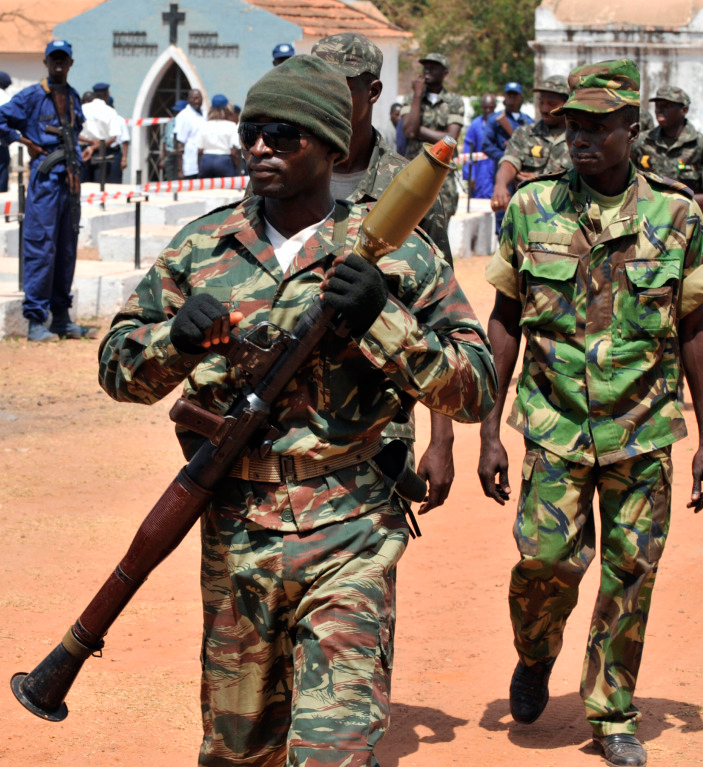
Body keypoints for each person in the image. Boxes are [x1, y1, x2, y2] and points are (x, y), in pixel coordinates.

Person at [98, 54, 497, 766]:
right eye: (252, 131)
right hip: (234, 533)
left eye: (283, 135)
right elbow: (118, 370)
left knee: (333, 750)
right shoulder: (202, 247)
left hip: (350, 529)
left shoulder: (399, 258)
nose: (259, 147)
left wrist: (385, 321)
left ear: (330, 146)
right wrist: (173, 339)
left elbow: (473, 387)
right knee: (236, 750)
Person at [477, 59, 703, 767]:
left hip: (642, 428)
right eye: (571, 126)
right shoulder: (531, 208)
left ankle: (612, 708)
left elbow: (694, 328)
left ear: (629, 129)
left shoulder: (675, 215)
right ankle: (535, 650)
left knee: (629, 568)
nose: (579, 139)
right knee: (544, 562)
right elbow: (505, 316)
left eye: (596, 128)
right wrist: (489, 429)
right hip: (552, 424)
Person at [312, 31, 458, 513]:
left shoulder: (412, 185)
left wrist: (442, 440)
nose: (326, 95)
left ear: (372, 92)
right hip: (288, 417)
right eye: (317, 83)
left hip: (380, 420)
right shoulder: (286, 175)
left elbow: (439, 317)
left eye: (342, 84)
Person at [0, 40, 95, 343]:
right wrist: (22, 140)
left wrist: (82, 151)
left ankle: (60, 317)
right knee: (41, 248)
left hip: (69, 181)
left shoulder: (72, 96)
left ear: (70, 63)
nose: (59, 64)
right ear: (46, 62)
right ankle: (35, 320)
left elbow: (76, 132)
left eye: (64, 60)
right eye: (54, 59)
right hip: (45, 183)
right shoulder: (32, 96)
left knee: (66, 249)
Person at [632, 86, 703, 214]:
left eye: (667, 105)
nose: (659, 110)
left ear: (684, 110)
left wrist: (670, 201)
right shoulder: (641, 143)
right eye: (658, 105)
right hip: (647, 226)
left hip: (685, 227)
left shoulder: (702, 146)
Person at [399, 52, 464, 222]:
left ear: (445, 73)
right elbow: (408, 131)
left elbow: (451, 139)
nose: (428, 70)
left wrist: (418, 130)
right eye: (426, 66)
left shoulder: (454, 102)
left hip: (442, 173)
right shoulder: (411, 98)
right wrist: (418, 95)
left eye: (434, 67)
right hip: (415, 168)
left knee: (440, 222)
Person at [490, 75, 570, 212]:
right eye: (541, 103)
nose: (544, 109)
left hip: (565, 214)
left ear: (567, 103)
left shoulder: (578, 138)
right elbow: (509, 162)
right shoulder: (525, 133)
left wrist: (541, 181)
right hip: (528, 213)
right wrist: (500, 185)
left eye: (551, 104)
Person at [482, 82, 533, 229]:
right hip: (503, 172)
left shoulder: (527, 121)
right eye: (509, 94)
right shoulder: (495, 120)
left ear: (520, 97)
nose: (511, 97)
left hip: (523, 172)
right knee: (502, 208)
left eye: (514, 94)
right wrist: (507, 157)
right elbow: (486, 145)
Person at [79, 82, 124, 185]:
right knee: (103, 188)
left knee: (84, 188)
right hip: (104, 151)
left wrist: (90, 143)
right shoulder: (110, 111)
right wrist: (95, 147)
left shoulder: (82, 109)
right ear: (106, 95)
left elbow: (76, 134)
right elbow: (113, 137)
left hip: (84, 152)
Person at [195, 94, 240, 178]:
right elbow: (234, 152)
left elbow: (200, 150)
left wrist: (200, 168)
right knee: (228, 190)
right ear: (227, 109)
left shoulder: (204, 125)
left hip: (206, 161)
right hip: (224, 162)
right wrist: (238, 168)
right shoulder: (231, 126)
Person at [463, 93, 497, 200]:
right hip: (479, 173)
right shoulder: (475, 125)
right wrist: (470, 176)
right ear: (482, 107)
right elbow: (468, 151)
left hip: (495, 172)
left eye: (491, 107)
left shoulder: (500, 124)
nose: (488, 110)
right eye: (486, 107)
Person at [173, 88, 205, 179]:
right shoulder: (183, 116)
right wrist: (180, 170)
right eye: (194, 98)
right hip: (189, 165)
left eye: (199, 98)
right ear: (189, 100)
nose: (197, 101)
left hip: (202, 163)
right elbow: (179, 145)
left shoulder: (205, 114)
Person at [160, 99, 186, 181]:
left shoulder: (187, 123)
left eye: (179, 112)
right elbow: (165, 141)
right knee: (170, 181)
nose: (177, 114)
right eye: (176, 112)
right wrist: (163, 159)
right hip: (170, 154)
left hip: (183, 156)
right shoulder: (170, 123)